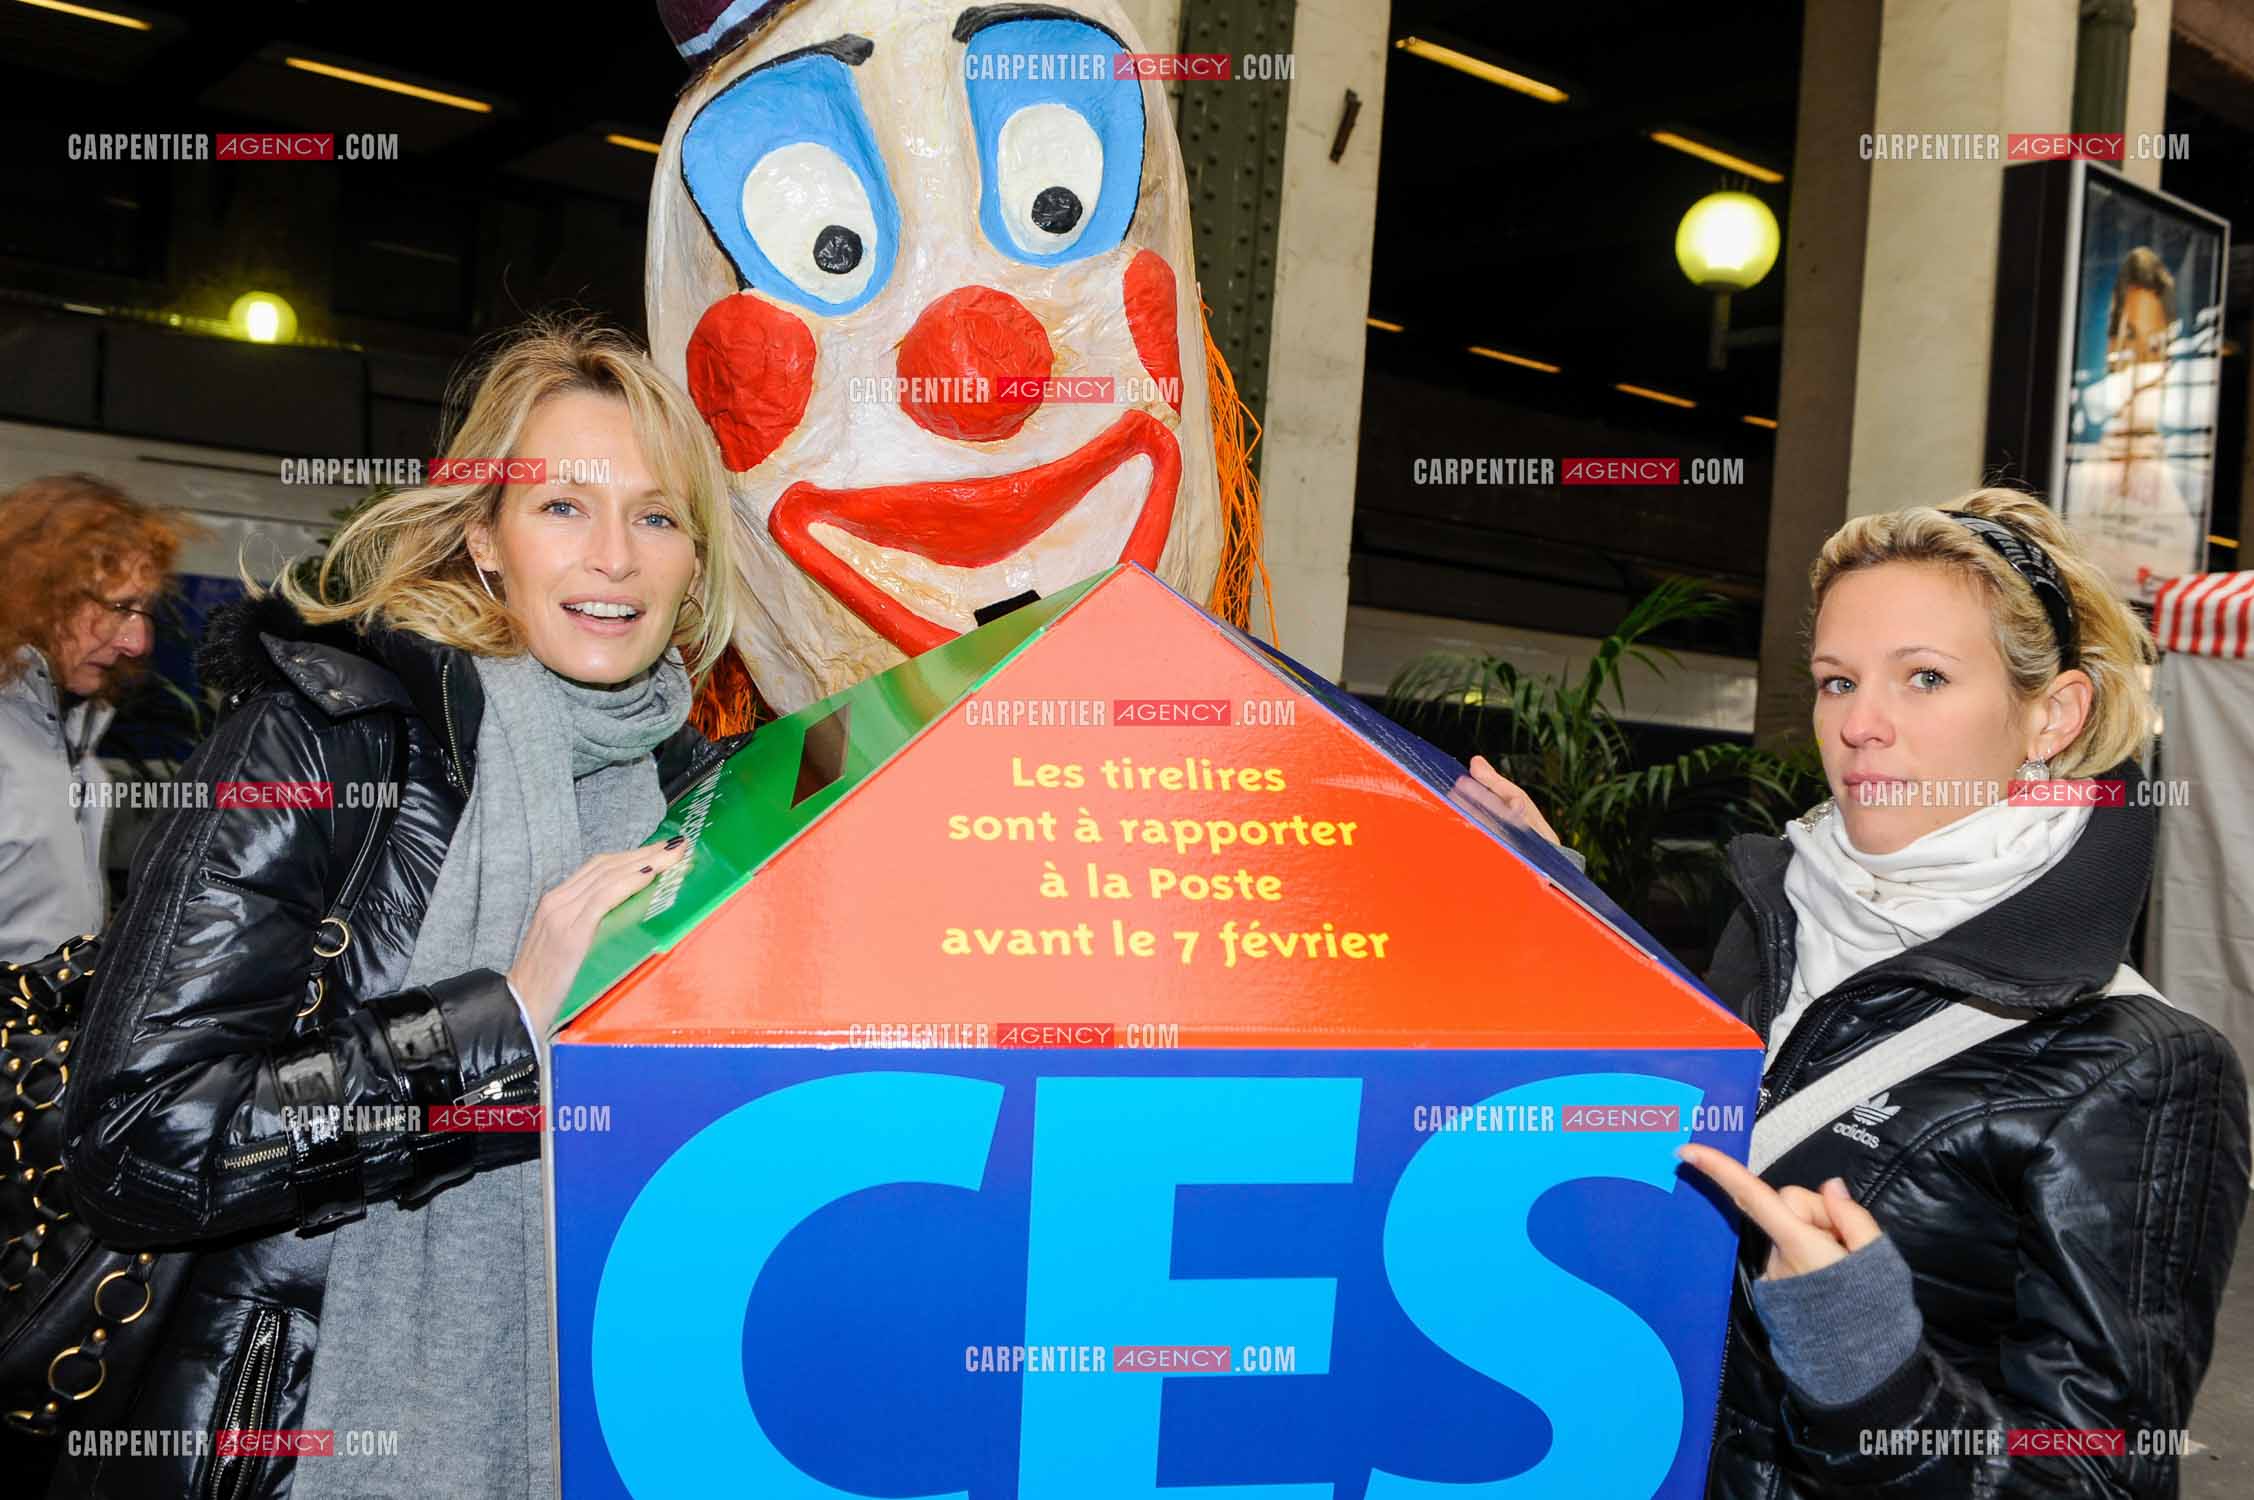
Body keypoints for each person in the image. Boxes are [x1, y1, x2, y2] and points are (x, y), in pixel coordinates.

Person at [52, 316, 747, 1500]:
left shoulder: (698, 796)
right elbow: (139, 1139)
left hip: (601, 1424)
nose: (615, 559)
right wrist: (503, 1027)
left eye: (657, 515)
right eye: (563, 508)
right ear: (485, 539)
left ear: (694, 562)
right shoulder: (323, 734)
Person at [1466, 486, 2249, 1498]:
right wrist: (1560, 899)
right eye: (1837, 682)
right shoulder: (1775, 913)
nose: (1861, 725)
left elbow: (2096, 1480)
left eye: (1923, 677)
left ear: (2051, 714)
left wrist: (1871, 1380)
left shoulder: (2143, 1066)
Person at [0, 474, 182, 963]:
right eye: (120, 608)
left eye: (144, 613)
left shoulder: (71, 729)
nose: (136, 643)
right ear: (34, 593)